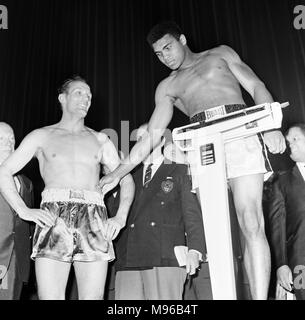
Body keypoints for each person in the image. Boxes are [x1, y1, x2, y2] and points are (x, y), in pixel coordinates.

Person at [100, 21, 286, 299]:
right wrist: (116, 174)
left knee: (250, 220)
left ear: (182, 39)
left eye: (168, 47)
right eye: (159, 54)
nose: (166, 57)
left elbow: (255, 84)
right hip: (202, 143)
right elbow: (151, 135)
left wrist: (268, 124)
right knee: (215, 230)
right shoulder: (167, 86)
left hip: (238, 130)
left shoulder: (220, 54)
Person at [0, 76, 135, 300]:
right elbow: (4, 171)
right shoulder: (41, 135)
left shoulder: (100, 139)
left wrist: (120, 217)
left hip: (93, 214)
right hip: (54, 216)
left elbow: (126, 178)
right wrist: (24, 210)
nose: (86, 99)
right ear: (62, 98)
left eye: (89, 96)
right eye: (79, 93)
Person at [113, 124, 208, 300]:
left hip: (164, 256)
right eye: (139, 139)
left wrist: (195, 250)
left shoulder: (179, 170)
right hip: (128, 259)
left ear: (162, 140)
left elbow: (192, 214)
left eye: (148, 137)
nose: (143, 143)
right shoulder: (128, 177)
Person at [267, 124, 305, 300]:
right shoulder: (282, 181)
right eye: (288, 141)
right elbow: (277, 226)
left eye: (295, 139)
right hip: (301, 265)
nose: (291, 144)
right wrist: (281, 265)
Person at [0, 122, 33, 299]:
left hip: (17, 263)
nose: (8, 143)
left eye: (11, 139)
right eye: (1, 139)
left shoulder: (26, 183)